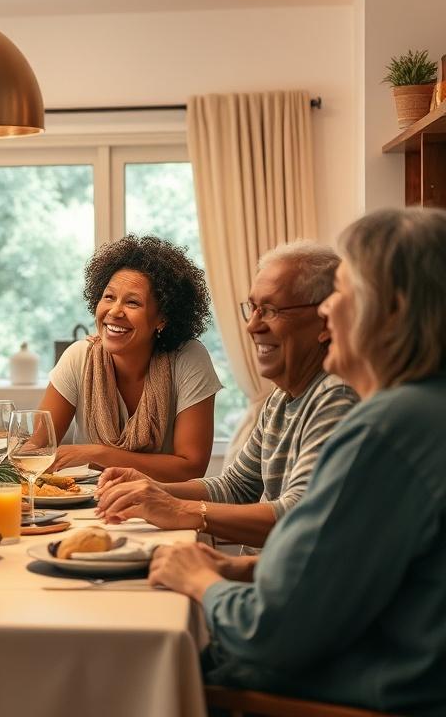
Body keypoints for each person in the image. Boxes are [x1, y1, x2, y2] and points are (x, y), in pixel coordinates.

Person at [149, 209, 446, 715]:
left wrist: (201, 582)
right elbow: (350, 573)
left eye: (342, 293)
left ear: (391, 311)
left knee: (135, 664)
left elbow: (271, 631)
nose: (329, 312)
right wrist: (237, 569)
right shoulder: (421, 410)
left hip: (377, 691)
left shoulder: (387, 427)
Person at [96, 242, 358, 548]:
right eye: (252, 308)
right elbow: (237, 486)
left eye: (271, 310)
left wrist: (176, 509)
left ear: (325, 320)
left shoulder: (335, 396)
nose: (252, 325)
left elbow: (297, 516)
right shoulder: (280, 399)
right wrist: (150, 488)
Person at [42, 234, 221, 481]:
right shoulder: (79, 357)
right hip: (89, 507)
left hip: (164, 508)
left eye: (133, 303)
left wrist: (100, 454)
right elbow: (35, 451)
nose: (114, 311)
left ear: (162, 318)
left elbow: (191, 468)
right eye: (109, 297)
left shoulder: (188, 358)